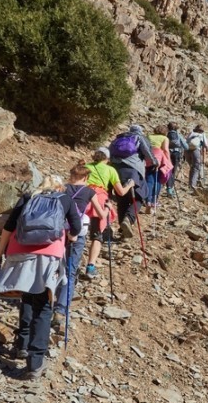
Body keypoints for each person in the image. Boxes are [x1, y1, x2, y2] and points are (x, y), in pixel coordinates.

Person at [0, 176, 82, 379]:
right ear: (59, 187)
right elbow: (77, 227)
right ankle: (35, 362)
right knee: (44, 305)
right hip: (49, 256)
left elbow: (9, 227)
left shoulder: (28, 197)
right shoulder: (64, 199)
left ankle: (21, 345)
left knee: (27, 297)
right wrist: (71, 236)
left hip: (18, 253)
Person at [53, 162, 109, 327]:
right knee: (70, 271)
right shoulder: (89, 192)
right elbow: (101, 215)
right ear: (86, 177)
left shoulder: (61, 188)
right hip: (77, 233)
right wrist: (108, 208)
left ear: (71, 175)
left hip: (58, 232)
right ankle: (60, 310)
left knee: (54, 266)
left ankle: (47, 300)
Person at [83, 148, 133, 276]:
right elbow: (120, 192)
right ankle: (90, 266)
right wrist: (130, 185)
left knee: (77, 233)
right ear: (108, 158)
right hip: (99, 200)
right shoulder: (111, 170)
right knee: (97, 235)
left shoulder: (86, 166)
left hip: (83, 199)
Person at [109, 124, 156, 238]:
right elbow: (147, 152)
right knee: (139, 197)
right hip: (134, 170)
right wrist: (154, 162)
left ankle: (122, 228)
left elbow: (109, 152)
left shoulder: (118, 139)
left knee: (122, 200)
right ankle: (128, 219)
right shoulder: (139, 137)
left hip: (116, 170)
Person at [166, 122, 189, 197]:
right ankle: (171, 189)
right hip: (176, 154)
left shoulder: (166, 135)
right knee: (173, 171)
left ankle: (168, 188)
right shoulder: (178, 135)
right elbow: (186, 147)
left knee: (168, 170)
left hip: (168, 154)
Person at [186, 125, 208, 191]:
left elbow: (186, 140)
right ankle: (193, 185)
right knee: (196, 168)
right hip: (195, 151)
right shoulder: (202, 134)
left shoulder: (191, 133)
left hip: (187, 151)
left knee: (192, 167)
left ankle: (190, 184)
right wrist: (206, 152)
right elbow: (206, 145)